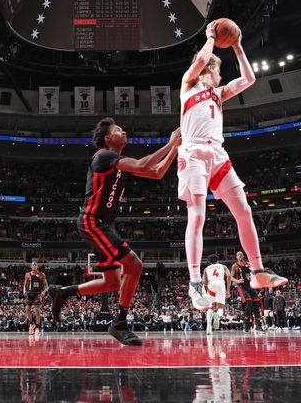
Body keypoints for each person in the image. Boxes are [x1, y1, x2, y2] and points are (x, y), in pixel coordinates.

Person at [178, 21, 287, 311]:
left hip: (218, 154)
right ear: (208, 70)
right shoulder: (189, 83)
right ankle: (194, 281)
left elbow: (249, 78)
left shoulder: (218, 93)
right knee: (198, 215)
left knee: (244, 210)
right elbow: (201, 59)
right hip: (194, 153)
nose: (220, 73)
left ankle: (258, 272)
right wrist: (211, 37)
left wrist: (238, 45)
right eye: (218, 69)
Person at [49, 118, 181, 345]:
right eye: (118, 130)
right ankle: (119, 323)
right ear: (108, 139)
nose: (124, 131)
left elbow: (157, 173)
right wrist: (169, 144)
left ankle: (63, 292)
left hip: (101, 223)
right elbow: (143, 165)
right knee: (135, 264)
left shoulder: (118, 163)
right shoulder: (103, 156)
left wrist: (175, 150)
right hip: (92, 221)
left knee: (112, 283)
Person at [202, 254, 231, 333]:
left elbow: (204, 282)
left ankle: (208, 326)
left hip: (211, 284)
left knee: (210, 307)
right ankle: (217, 316)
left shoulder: (206, 268)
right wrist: (228, 290)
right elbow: (229, 276)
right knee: (220, 308)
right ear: (218, 260)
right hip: (220, 284)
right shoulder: (223, 266)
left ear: (209, 262)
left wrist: (205, 293)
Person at [231, 252, 258, 331]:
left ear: (243, 256)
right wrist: (238, 281)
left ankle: (258, 325)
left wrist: (252, 276)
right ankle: (245, 318)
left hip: (251, 285)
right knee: (249, 302)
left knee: (256, 303)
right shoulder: (235, 266)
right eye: (238, 254)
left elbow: (255, 273)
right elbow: (230, 277)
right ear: (236, 257)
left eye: (241, 254)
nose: (240, 255)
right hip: (242, 287)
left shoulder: (248, 264)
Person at [23, 261, 48, 334]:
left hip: (38, 294)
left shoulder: (41, 274)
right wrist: (24, 290)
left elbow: (46, 286)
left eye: (35, 264)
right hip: (30, 293)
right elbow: (24, 285)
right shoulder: (27, 274)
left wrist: (44, 291)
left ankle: (37, 327)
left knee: (37, 310)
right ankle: (31, 323)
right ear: (31, 266)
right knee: (27, 309)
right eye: (33, 265)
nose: (34, 265)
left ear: (37, 266)